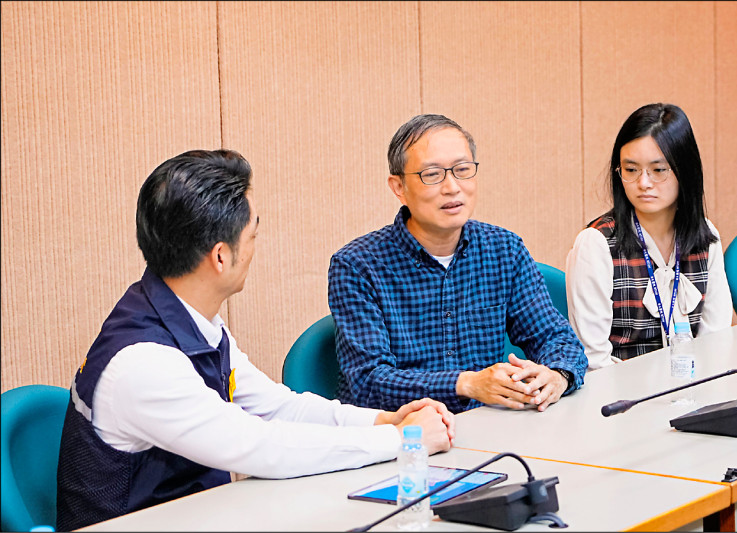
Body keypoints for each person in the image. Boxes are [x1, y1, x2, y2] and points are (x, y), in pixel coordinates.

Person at [56, 149, 455, 531]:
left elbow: (274, 408)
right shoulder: (144, 365)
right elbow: (261, 447)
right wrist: (400, 439)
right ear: (220, 257)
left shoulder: (187, 318)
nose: (255, 247)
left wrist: (383, 419)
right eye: (252, 235)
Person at [328, 114, 587, 415]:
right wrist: (465, 384)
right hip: (405, 437)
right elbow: (368, 382)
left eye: (463, 170)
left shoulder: (504, 249)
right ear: (398, 187)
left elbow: (556, 338)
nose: (452, 187)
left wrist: (557, 375)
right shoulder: (357, 266)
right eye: (432, 174)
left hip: (490, 431)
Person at [565, 103, 733, 370]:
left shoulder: (705, 236)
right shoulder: (597, 244)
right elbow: (594, 360)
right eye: (631, 170)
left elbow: (717, 340)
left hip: (693, 391)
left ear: (685, 171)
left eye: (658, 170)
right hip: (621, 400)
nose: (643, 183)